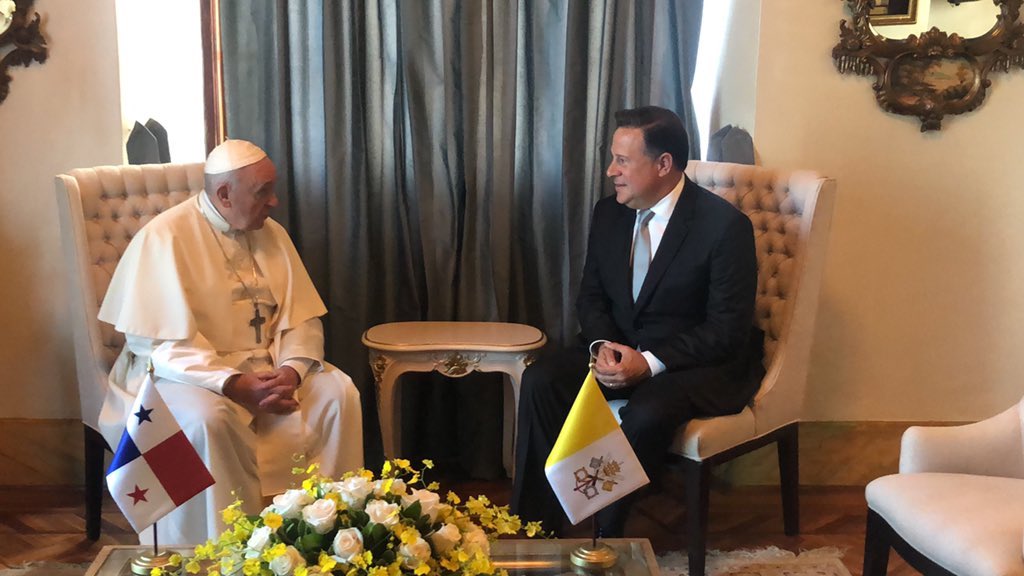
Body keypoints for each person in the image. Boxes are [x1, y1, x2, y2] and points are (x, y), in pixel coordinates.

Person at [511, 106, 763, 537]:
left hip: (690, 364)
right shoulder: (608, 213)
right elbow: (590, 297)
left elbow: (726, 331)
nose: (611, 171)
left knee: (647, 413)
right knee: (541, 381)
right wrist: (602, 347)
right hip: (616, 347)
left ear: (664, 164)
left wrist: (648, 362)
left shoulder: (724, 229)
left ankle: (606, 539)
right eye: (613, 158)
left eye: (622, 161)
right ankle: (535, 529)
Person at [97, 140, 363, 545]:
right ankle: (226, 548)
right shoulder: (164, 237)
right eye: (263, 192)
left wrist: (291, 371)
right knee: (210, 419)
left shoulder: (271, 234)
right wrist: (234, 384)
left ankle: (322, 536)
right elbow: (158, 345)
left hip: (271, 368)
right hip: (183, 373)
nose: (274, 201)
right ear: (224, 194)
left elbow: (302, 318)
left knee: (339, 393)